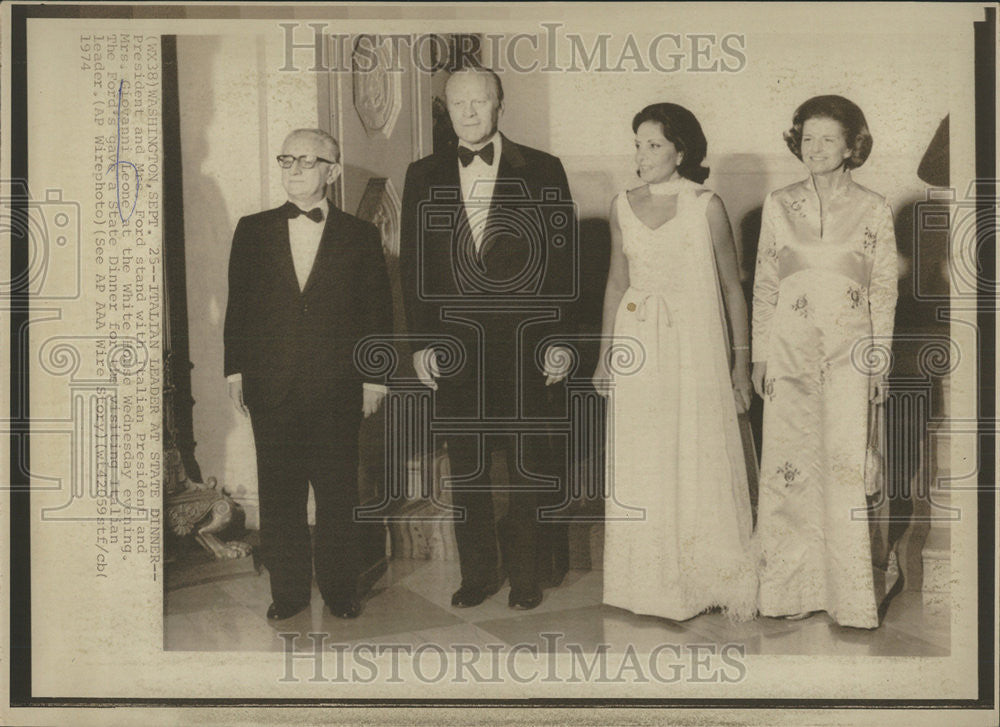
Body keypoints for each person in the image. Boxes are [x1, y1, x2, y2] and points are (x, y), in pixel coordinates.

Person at [400, 65, 578, 611]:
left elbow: (564, 261)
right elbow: (414, 266)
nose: (470, 112)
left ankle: (526, 575)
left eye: (480, 101)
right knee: (469, 464)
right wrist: (421, 343)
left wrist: (562, 340)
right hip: (455, 347)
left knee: (528, 463)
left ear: (499, 104)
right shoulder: (422, 174)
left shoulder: (543, 169)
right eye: (459, 103)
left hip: (525, 344)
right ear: (446, 110)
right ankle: (478, 574)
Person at [594, 103, 757, 622]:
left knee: (694, 451)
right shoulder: (621, 204)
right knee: (643, 456)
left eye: (655, 145)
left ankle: (699, 580)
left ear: (682, 150)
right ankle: (643, 584)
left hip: (694, 348)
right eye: (638, 144)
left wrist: (738, 367)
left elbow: (733, 289)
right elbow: (616, 285)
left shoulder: (705, 205)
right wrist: (604, 358)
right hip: (639, 343)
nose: (642, 155)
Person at [224, 128, 392, 621]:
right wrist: (235, 371)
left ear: (332, 172)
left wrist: (376, 380)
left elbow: (377, 312)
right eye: (286, 159)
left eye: (307, 160)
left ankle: (341, 591)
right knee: (279, 496)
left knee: (337, 493)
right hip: (270, 385)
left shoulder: (360, 236)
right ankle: (290, 593)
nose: (294, 168)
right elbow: (240, 307)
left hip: (337, 388)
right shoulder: (251, 229)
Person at [751, 96, 897, 628]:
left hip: (849, 353)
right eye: (807, 138)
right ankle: (788, 592)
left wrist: (878, 361)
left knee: (842, 467)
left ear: (852, 144)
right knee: (789, 469)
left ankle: (848, 598)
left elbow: (883, 290)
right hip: (788, 352)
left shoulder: (874, 206)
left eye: (828, 138)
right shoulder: (778, 202)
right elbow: (766, 285)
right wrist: (760, 356)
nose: (816, 148)